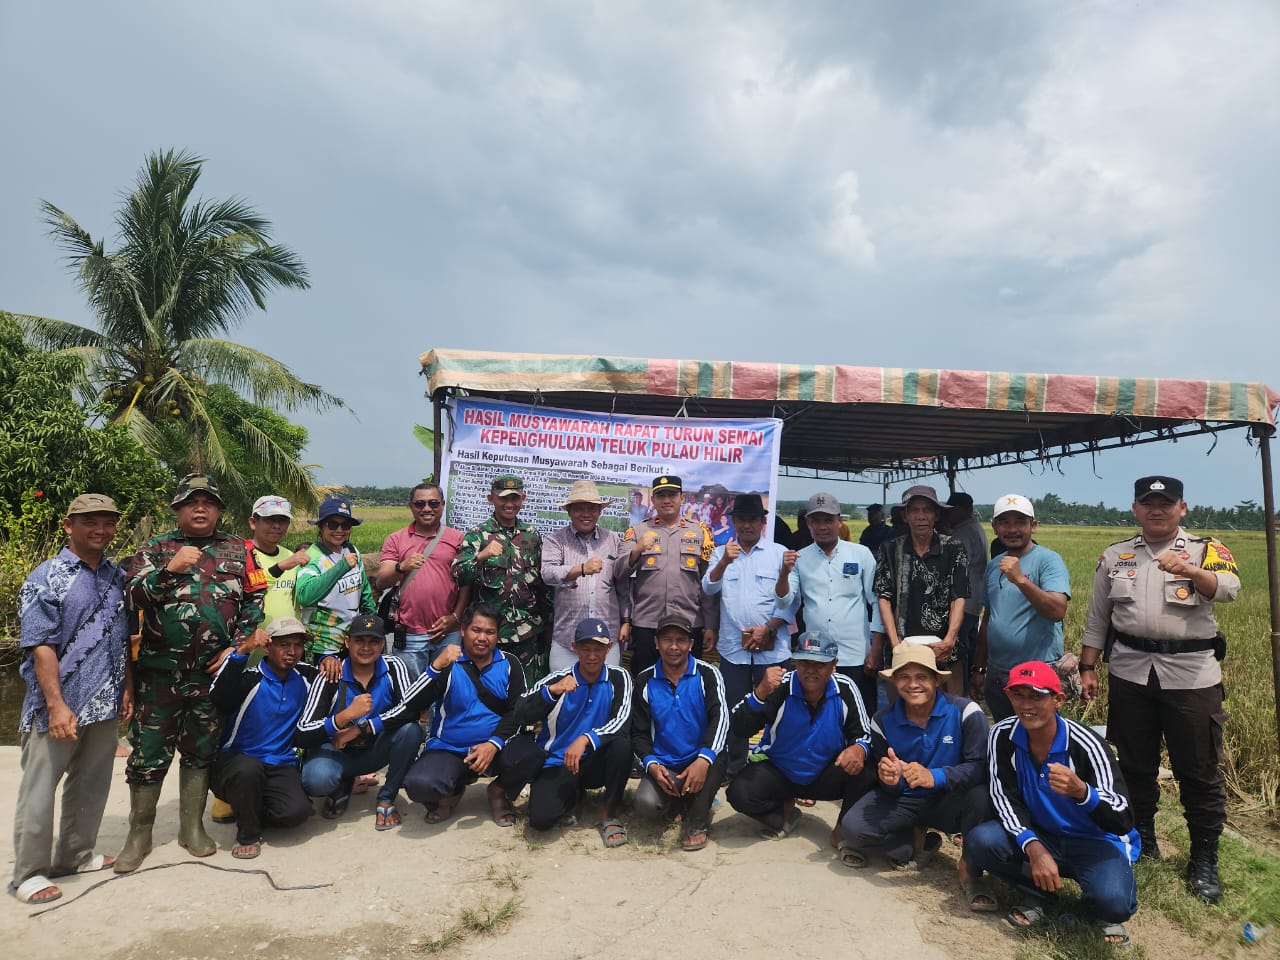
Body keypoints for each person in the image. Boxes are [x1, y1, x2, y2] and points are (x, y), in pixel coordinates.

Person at [1080, 475, 1240, 904]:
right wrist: (1087, 666)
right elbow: (1098, 618)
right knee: (1134, 765)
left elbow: (1230, 590)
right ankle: (1142, 838)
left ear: (1181, 508)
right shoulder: (1117, 556)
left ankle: (1203, 858)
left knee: (1199, 771)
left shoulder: (1207, 550)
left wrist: (1190, 570)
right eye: (1147, 502)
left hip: (1191, 677)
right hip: (1131, 673)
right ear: (1135, 509)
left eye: (1165, 503)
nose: (1156, 509)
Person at [116, 474, 266, 874]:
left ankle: (191, 829)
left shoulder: (240, 549)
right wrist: (168, 570)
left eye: (208, 502)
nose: (200, 508)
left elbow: (255, 598)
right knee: (148, 755)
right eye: (191, 502)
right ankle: (139, 834)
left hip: (210, 676)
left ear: (218, 509)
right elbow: (130, 597)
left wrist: (237, 646)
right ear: (178, 510)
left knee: (200, 751)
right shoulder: (155, 549)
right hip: (158, 675)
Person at [963, 661, 1137, 947]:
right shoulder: (1002, 735)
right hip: (1044, 833)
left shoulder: (1087, 744)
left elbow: (1123, 815)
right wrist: (1034, 847)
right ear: (1008, 697)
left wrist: (1083, 792)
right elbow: (1003, 797)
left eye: (1036, 696)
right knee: (981, 841)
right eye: (1018, 695)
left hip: (1094, 840)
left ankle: (1098, 905)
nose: (1026, 705)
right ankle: (1039, 892)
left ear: (1058, 700)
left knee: (1114, 903)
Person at [11, 494, 131, 904]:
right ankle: (28, 873)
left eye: (108, 522)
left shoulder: (117, 575)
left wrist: (126, 687)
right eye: (90, 522)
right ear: (68, 525)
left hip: (105, 702)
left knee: (92, 784)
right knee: (39, 789)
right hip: (57, 705)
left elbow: (120, 636)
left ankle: (76, 854)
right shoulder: (46, 576)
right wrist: (57, 704)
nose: (101, 529)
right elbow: (40, 645)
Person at [839, 644, 989, 870]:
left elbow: (980, 768)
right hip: (906, 799)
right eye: (904, 677)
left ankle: (970, 867)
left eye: (922, 676)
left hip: (950, 798)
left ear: (937, 680)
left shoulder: (966, 712)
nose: (913, 684)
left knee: (982, 796)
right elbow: (890, 786)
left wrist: (935, 776)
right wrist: (890, 779)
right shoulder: (881, 721)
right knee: (852, 830)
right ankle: (914, 842)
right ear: (894, 681)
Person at [726, 632, 876, 849]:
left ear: (834, 665)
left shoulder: (845, 687)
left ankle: (842, 829)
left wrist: (858, 749)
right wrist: (760, 692)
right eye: (805, 662)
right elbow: (740, 728)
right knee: (739, 793)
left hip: (826, 773)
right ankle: (784, 813)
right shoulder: (780, 686)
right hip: (781, 772)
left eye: (820, 664)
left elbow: (864, 734)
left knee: (867, 768)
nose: (811, 670)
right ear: (795, 662)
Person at [383, 603, 529, 825]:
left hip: (496, 746)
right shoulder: (448, 663)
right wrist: (434, 667)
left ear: (498, 635)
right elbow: (411, 704)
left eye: (490, 632)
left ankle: (499, 793)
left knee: (532, 755)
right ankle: (452, 791)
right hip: (450, 748)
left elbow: (516, 712)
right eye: (476, 630)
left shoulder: (510, 664)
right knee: (419, 785)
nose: (482, 638)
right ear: (463, 630)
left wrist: (493, 743)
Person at [504, 619, 633, 846]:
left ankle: (608, 814)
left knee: (622, 747)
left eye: (599, 649)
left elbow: (621, 720)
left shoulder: (619, 677)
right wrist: (551, 693)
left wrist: (586, 739)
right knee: (540, 821)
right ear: (574, 648)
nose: (592, 655)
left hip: (595, 761)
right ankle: (574, 795)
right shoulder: (558, 678)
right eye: (586, 648)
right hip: (559, 762)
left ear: (609, 648)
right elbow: (521, 711)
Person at [296, 614, 423, 830]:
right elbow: (302, 732)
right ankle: (340, 786)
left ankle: (386, 797)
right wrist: (342, 718)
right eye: (359, 641)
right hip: (336, 753)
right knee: (316, 780)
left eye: (373, 641)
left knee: (411, 731)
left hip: (375, 750)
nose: (366, 647)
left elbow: (410, 710)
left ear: (383, 644)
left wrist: (360, 728)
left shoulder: (394, 666)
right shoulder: (330, 674)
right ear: (347, 642)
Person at [209, 617, 319, 859]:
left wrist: (331, 659)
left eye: (298, 645)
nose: (292, 652)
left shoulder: (305, 676)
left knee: (296, 813)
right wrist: (244, 649)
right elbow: (219, 697)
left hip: (280, 763)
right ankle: (247, 833)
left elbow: (330, 675)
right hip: (237, 762)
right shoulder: (249, 678)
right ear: (267, 647)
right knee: (247, 770)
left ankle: (249, 807)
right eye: (284, 645)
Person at [703, 493, 794, 778]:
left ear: (762, 522)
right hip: (733, 648)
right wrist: (723, 564)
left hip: (773, 647)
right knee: (735, 710)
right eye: (741, 519)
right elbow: (708, 588)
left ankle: (776, 767)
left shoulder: (780, 554)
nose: (746, 525)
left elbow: (790, 600)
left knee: (776, 709)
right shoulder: (721, 552)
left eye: (753, 519)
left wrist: (767, 629)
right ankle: (734, 768)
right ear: (733, 521)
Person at [778, 492, 884, 713]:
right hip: (817, 657)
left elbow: (877, 601)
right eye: (816, 520)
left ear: (839, 520)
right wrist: (783, 573)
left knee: (861, 714)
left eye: (828, 520)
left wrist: (876, 648)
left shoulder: (860, 554)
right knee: (822, 715)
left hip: (855, 653)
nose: (822, 526)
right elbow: (784, 601)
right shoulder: (800, 558)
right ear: (808, 523)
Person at [631, 615, 729, 851]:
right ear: (656, 643)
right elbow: (638, 733)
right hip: (667, 764)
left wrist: (703, 760)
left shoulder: (708, 674)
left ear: (691, 644)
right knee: (645, 804)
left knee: (717, 755)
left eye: (680, 640)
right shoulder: (645, 680)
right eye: (667, 640)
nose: (674, 647)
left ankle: (697, 823)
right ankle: (682, 801)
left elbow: (721, 719)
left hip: (701, 758)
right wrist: (652, 765)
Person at [971, 495, 1070, 721]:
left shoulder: (1048, 561)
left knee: (1039, 736)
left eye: (1020, 521)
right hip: (998, 672)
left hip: (1036, 673)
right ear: (995, 527)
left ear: (1033, 526)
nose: (1012, 529)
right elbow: (988, 619)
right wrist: (978, 669)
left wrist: (1021, 580)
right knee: (1006, 734)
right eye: (1005, 522)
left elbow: (1057, 611)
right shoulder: (994, 565)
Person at [453, 474, 548, 685]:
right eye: (503, 498)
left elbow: (542, 585)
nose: (509, 504)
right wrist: (481, 557)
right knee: (488, 690)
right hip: (489, 635)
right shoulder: (477, 535)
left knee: (525, 692)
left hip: (526, 632)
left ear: (522, 499)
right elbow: (459, 574)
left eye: (514, 498)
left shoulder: (532, 536)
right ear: (491, 499)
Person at [874, 484, 969, 695]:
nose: (921, 516)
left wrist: (950, 640)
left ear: (936, 515)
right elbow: (884, 598)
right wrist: (895, 644)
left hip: (944, 649)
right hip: (902, 646)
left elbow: (959, 596)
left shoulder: (953, 547)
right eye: (914, 510)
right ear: (905, 516)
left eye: (926, 510)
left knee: (949, 709)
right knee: (902, 710)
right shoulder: (890, 549)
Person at [622, 474, 717, 677]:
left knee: (688, 684)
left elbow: (708, 582)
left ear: (682, 498)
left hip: (688, 622)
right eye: (661, 495)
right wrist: (637, 550)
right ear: (653, 500)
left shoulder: (700, 533)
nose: (666, 500)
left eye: (672, 495)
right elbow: (619, 572)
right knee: (644, 683)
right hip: (648, 623)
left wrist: (710, 625)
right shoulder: (637, 531)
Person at [375, 482, 467, 680]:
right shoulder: (396, 539)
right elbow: (382, 581)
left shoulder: (458, 539)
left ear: (442, 505)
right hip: (410, 633)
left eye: (433, 503)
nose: (427, 509)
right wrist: (402, 567)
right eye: (420, 504)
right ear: (411, 506)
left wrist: (456, 617)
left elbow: (466, 583)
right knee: (412, 694)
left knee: (448, 690)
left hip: (447, 632)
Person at [541, 479, 632, 672]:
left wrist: (626, 621)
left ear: (599, 511)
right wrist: (581, 569)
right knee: (563, 695)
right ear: (569, 511)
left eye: (591, 508)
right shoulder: (556, 540)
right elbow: (548, 573)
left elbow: (622, 585)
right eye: (579, 509)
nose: (586, 514)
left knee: (606, 695)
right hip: (567, 638)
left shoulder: (613, 539)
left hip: (607, 639)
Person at [295, 496, 377, 663]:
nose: (339, 530)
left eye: (345, 525)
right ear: (320, 526)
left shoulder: (351, 550)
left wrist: (372, 621)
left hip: (352, 639)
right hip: (322, 645)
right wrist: (341, 567)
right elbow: (305, 595)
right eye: (333, 524)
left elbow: (364, 591)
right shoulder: (312, 557)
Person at [246, 495, 311, 632]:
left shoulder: (289, 555)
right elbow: (247, 588)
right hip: (250, 643)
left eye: (282, 520)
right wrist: (280, 567)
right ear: (253, 522)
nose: (276, 526)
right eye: (270, 520)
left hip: (287, 643)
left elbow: (295, 601)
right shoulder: (241, 553)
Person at [944, 492, 989, 679]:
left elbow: (954, 567)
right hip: (975, 599)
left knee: (959, 649)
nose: (948, 515)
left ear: (960, 510)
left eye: (950, 511)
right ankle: (970, 683)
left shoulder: (963, 533)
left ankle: (962, 686)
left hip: (964, 599)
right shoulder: (976, 528)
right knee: (969, 644)